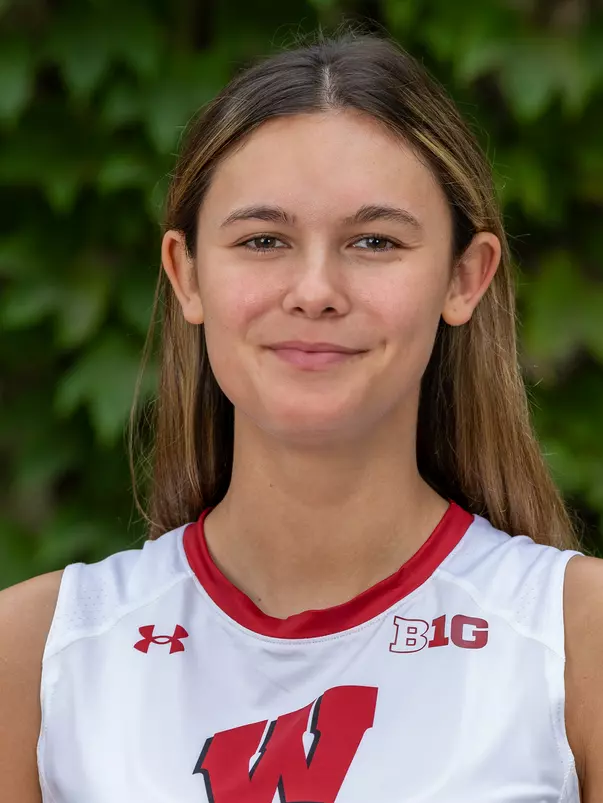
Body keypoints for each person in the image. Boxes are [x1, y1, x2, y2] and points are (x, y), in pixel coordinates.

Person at [1, 28, 602, 803]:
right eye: (263, 239)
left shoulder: (573, 639)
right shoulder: (39, 654)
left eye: (374, 240)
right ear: (186, 275)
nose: (314, 289)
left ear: (463, 277)